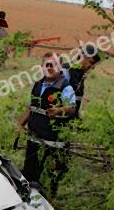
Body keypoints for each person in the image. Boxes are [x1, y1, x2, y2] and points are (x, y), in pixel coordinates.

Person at [16, 53, 76, 195]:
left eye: (53, 65)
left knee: (50, 173)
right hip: (34, 137)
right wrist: (20, 124)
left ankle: (49, 197)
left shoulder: (65, 87)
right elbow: (31, 107)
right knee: (30, 169)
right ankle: (29, 194)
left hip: (52, 141)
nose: (49, 68)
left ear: (60, 67)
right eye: (46, 65)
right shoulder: (38, 84)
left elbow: (72, 108)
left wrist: (59, 110)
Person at [63, 44, 100, 119]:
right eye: (91, 62)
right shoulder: (65, 71)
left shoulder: (80, 74)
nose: (92, 67)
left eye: (94, 64)